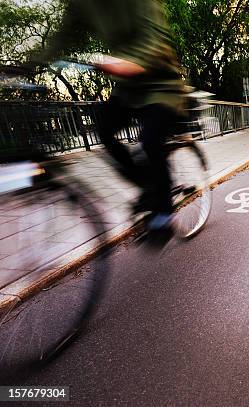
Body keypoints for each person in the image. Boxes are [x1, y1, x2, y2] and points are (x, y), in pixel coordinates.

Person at [30, 0, 191, 244]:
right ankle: (147, 186)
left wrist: (132, 62)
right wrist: (30, 65)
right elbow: (62, 36)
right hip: (129, 88)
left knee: (150, 140)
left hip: (161, 84)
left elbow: (155, 38)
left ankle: (164, 211)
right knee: (104, 130)